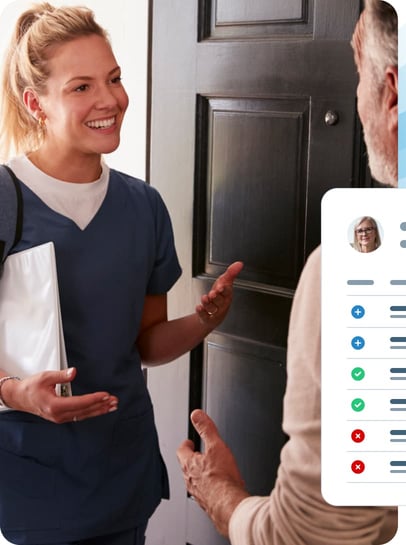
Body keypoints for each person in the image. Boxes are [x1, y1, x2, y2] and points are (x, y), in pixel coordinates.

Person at [0, 3, 242, 544]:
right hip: (37, 476)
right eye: (81, 87)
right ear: (35, 102)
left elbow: (147, 344)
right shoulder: (4, 197)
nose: (109, 100)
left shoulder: (144, 206)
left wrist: (203, 321)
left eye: (113, 79)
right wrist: (16, 393)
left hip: (121, 468)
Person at [177, 1, 398, 544]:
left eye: (356, 69)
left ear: (392, 94)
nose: (352, 99)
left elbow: (311, 535)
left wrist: (221, 494)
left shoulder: (359, 270)